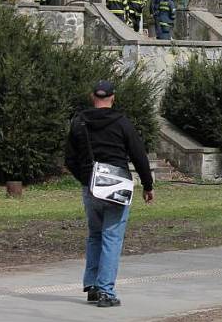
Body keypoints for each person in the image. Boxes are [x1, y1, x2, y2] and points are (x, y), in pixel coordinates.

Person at [65, 80, 155, 307]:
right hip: (117, 186)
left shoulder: (79, 122)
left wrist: (86, 180)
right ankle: (106, 291)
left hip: (91, 186)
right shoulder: (121, 122)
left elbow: (69, 159)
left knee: (95, 234)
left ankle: (93, 285)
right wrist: (147, 185)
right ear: (113, 97)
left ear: (91, 96)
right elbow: (138, 155)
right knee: (112, 237)